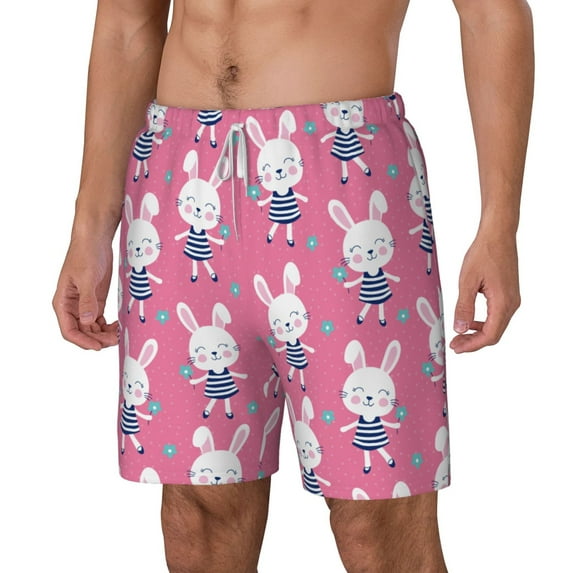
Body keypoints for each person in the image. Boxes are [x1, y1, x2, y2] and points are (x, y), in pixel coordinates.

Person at [52, 0, 534, 571]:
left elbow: (492, 14)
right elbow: (127, 24)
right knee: (200, 516)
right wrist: (90, 227)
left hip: (342, 181)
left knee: (377, 519)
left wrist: (500, 225)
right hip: (178, 180)